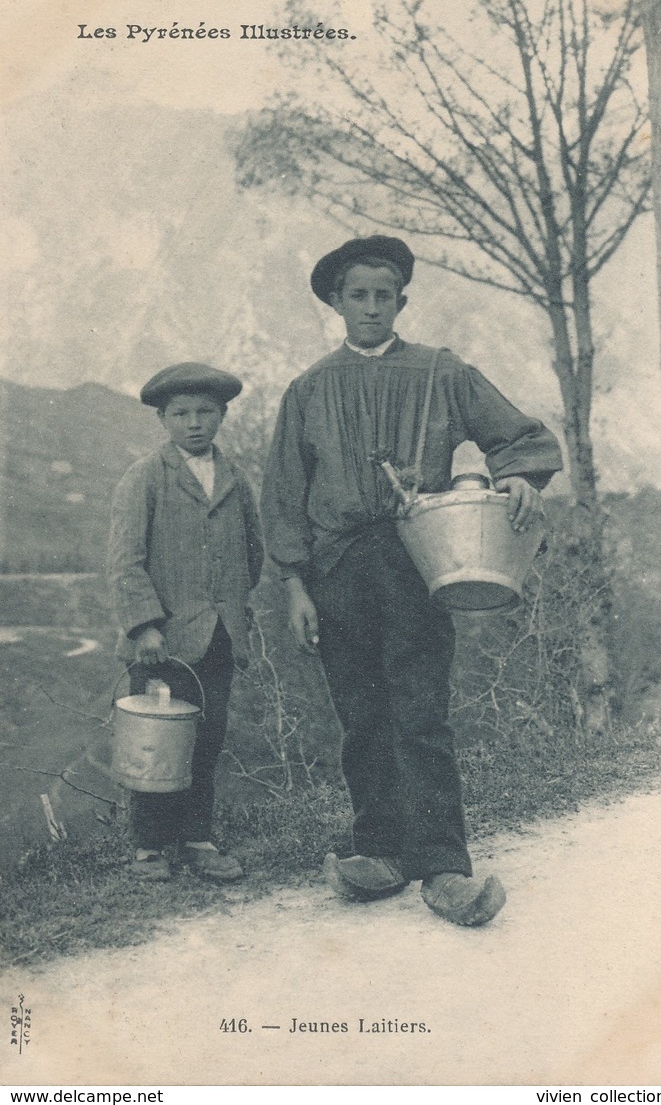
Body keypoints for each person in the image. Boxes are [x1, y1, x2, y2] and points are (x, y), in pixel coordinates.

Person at [260, 235, 563, 926]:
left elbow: (521, 436)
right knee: (361, 716)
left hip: (418, 563)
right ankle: (379, 851)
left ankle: (443, 865)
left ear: (401, 301)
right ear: (335, 303)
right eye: (357, 296)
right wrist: (295, 586)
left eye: (383, 296)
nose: (370, 308)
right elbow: (282, 497)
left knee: (420, 712)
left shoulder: (439, 372)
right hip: (335, 570)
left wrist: (515, 473)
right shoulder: (308, 390)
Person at [107, 362, 264, 881]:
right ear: (163, 419)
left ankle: (197, 838)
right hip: (165, 641)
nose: (194, 422)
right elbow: (125, 559)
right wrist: (144, 626)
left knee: (207, 737)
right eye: (181, 414)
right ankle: (150, 846)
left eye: (205, 412)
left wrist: (234, 611)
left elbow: (252, 551)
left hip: (219, 636)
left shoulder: (235, 478)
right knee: (156, 741)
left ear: (221, 415)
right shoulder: (145, 476)